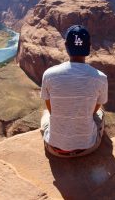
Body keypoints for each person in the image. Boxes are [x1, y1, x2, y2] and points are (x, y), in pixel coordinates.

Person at [40, 25, 108, 158]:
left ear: (66, 46)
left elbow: (51, 110)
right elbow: (94, 110)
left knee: (45, 114)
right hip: (88, 148)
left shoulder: (49, 74)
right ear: (89, 46)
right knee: (100, 113)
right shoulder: (100, 77)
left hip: (54, 148)